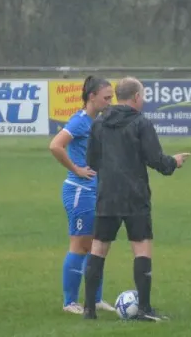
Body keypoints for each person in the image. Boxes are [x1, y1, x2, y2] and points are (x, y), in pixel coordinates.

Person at [82, 77, 191, 321]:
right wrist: (174, 162)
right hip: (135, 195)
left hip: (107, 194)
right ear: (136, 97)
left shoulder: (99, 123)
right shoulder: (141, 122)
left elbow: (92, 161)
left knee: (98, 249)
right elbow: (156, 159)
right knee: (141, 248)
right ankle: (144, 309)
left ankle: (89, 309)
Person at [48, 76, 116, 315]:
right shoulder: (79, 121)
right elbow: (55, 145)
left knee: (95, 246)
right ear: (92, 97)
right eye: (106, 97)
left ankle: (94, 299)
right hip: (80, 191)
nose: (110, 102)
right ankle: (69, 303)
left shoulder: (97, 122)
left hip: (95, 192)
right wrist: (76, 169)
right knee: (79, 245)